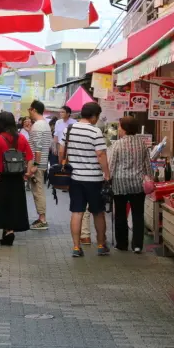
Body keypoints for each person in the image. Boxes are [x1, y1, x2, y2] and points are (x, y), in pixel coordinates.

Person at [58, 102, 111, 258]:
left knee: (77, 212)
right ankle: (101, 245)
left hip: (74, 178)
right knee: (98, 212)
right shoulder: (95, 132)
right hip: (94, 179)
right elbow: (101, 155)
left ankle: (76, 247)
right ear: (94, 116)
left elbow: (61, 151)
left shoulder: (69, 130)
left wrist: (65, 165)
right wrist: (106, 173)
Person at [0, 111, 33, 245]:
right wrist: (27, 173)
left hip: (2, 177)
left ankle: (7, 231)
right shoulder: (21, 138)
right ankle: (10, 230)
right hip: (18, 176)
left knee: (3, 204)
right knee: (16, 204)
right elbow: (29, 157)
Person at [108, 116, 153, 253]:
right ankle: (137, 245)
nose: (119, 129)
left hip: (120, 184)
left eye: (120, 126)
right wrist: (150, 179)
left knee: (120, 214)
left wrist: (107, 179)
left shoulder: (117, 144)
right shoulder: (142, 145)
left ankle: (121, 244)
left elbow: (111, 166)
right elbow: (148, 167)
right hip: (138, 185)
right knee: (138, 214)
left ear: (125, 129)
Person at [27, 100, 52, 230]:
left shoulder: (38, 126)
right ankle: (41, 218)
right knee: (39, 191)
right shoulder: (45, 125)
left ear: (34, 110)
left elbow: (37, 148)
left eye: (29, 110)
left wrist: (35, 164)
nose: (29, 113)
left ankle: (42, 219)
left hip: (38, 164)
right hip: (42, 163)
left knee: (38, 192)